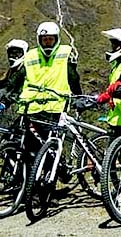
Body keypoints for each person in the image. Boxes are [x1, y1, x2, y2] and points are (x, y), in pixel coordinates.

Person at [15, 22, 82, 155]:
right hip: (32, 108)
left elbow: (73, 78)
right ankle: (33, 175)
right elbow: (17, 80)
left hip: (55, 108)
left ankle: (54, 172)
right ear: (39, 40)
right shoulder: (30, 56)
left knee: (51, 148)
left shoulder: (65, 53)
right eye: (45, 40)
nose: (47, 43)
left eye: (51, 39)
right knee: (30, 149)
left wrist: (78, 97)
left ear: (56, 39)